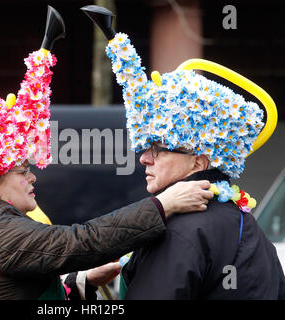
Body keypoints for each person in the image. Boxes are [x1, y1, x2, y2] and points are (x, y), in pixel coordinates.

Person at [0, 6, 213, 300]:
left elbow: (13, 284)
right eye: (22, 169)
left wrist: (80, 280)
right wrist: (163, 205)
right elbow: (82, 241)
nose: (32, 176)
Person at [82, 5, 285, 299]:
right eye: (143, 147)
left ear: (199, 160)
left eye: (159, 148)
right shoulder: (247, 224)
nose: (144, 158)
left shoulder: (179, 230)